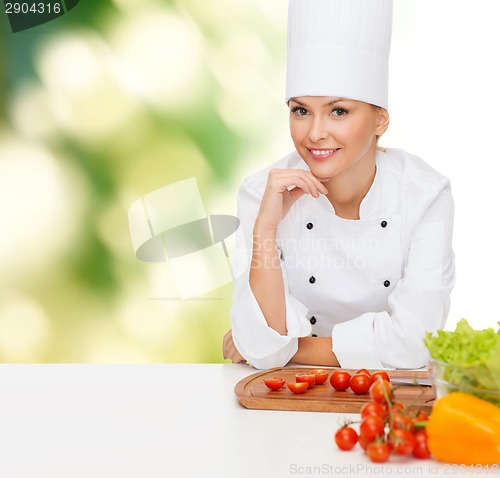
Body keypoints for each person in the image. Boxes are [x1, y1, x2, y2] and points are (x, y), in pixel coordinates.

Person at [223, 0, 455, 370]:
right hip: (285, 407)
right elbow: (264, 350)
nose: (315, 133)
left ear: (380, 120)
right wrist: (265, 230)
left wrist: (288, 349)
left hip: (385, 404)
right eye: (301, 110)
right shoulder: (262, 192)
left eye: (339, 111)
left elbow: (414, 345)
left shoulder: (424, 195)